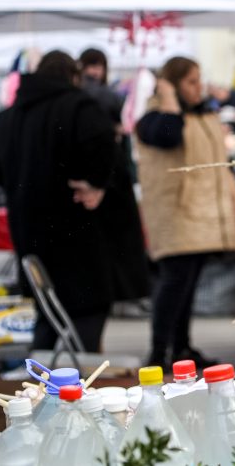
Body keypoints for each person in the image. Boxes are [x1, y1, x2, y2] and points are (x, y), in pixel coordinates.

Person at [0, 51, 116, 351]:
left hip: (29, 228)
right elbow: (104, 141)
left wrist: (14, 182)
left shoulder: (9, 115)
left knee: (46, 313)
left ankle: (43, 383)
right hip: (75, 227)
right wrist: (96, 183)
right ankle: (78, 385)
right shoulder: (79, 106)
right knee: (86, 312)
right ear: (73, 76)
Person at [135, 56, 235, 369]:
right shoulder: (155, 119)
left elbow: (221, 164)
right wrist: (168, 97)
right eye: (190, 82)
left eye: (199, 80)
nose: (199, 88)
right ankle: (158, 354)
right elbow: (169, 134)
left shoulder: (203, 115)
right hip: (176, 214)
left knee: (187, 283)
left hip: (202, 214)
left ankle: (181, 348)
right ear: (173, 84)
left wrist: (233, 198)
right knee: (174, 282)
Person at [77, 48, 151, 307]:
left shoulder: (85, 96)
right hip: (107, 182)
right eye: (91, 65)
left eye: (98, 65)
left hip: (100, 183)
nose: (94, 71)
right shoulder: (101, 96)